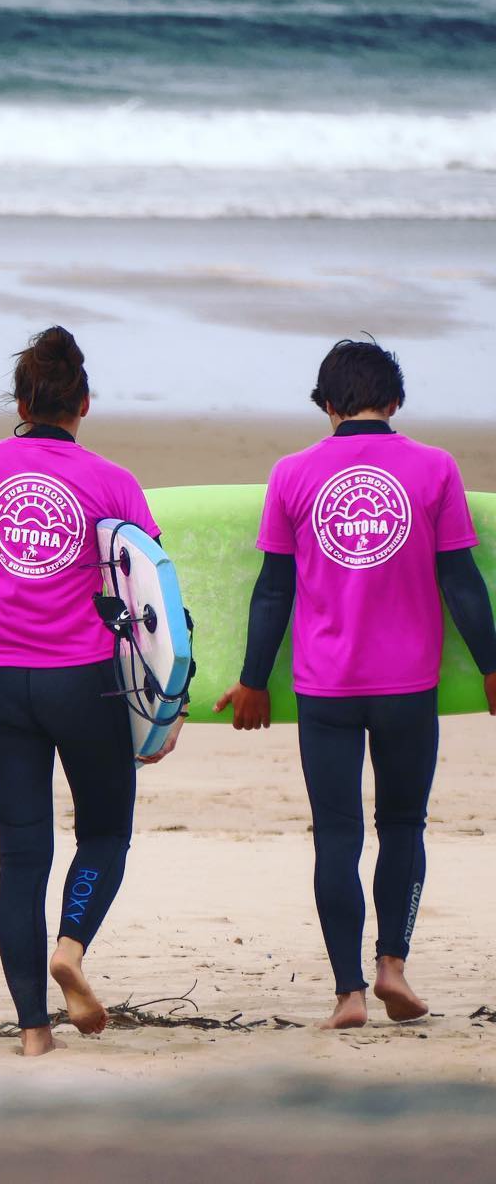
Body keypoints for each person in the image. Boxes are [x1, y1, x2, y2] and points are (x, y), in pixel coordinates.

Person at [216, 339, 496, 1030]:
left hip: (325, 690)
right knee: (402, 825)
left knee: (336, 836)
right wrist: (492, 668)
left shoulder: (293, 473)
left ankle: (348, 993)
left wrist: (254, 681)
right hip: (408, 689)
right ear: (394, 401)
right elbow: (462, 580)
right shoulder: (434, 468)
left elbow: (272, 589)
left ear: (327, 405)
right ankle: (392, 966)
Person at [0, 326, 178, 1058]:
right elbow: (154, 595)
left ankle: (34, 1031)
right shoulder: (112, 482)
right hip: (83, 686)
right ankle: (70, 946)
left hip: (2, 689)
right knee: (103, 832)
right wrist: (168, 700)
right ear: (84, 403)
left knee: (21, 859)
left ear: (21, 399)